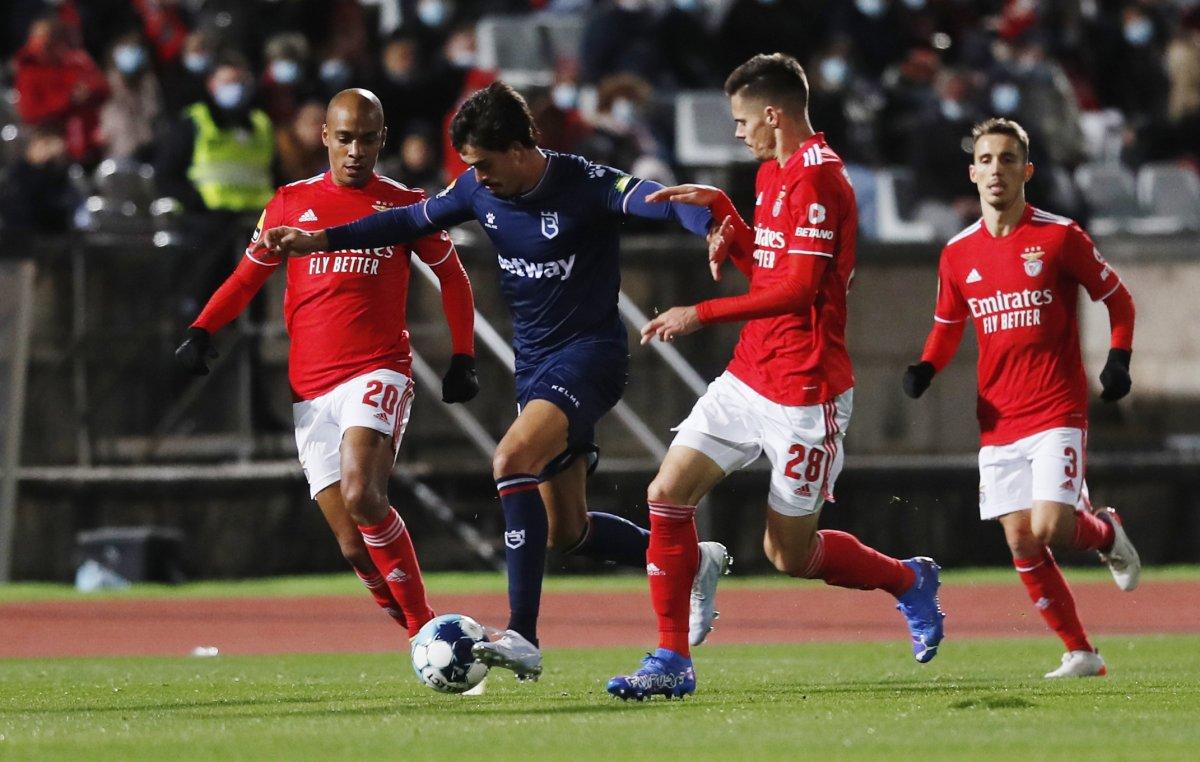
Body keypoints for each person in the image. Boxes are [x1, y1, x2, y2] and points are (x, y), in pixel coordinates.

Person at [262, 81, 731, 682]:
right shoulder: (476, 190)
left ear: (518, 147)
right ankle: (691, 562)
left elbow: (660, 201)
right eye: (469, 168)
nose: (477, 178)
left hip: (590, 357)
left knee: (511, 458)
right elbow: (405, 220)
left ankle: (525, 636)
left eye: (484, 164)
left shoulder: (585, 184)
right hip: (534, 366)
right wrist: (320, 239)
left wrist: (708, 221)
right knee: (568, 531)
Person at [607, 53, 945, 700]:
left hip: (805, 391)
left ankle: (908, 580)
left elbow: (797, 290)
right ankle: (672, 659)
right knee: (666, 495)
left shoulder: (822, 181)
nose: (736, 133)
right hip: (750, 373)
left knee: (788, 554)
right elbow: (767, 273)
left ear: (773, 114)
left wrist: (697, 313)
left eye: (741, 121)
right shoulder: (770, 174)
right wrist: (727, 219)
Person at [174, 89, 478, 640]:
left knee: (365, 494)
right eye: (344, 138)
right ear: (325, 138)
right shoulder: (289, 203)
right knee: (351, 544)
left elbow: (453, 278)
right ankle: (420, 636)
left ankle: (429, 630)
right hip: (310, 389)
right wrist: (202, 328)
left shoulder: (409, 205)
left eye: (366, 139)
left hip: (378, 368)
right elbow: (248, 275)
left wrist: (463, 356)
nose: (355, 150)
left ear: (382, 139)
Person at [902, 117, 1141, 679]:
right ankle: (1081, 651)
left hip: (1057, 406)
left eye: (1007, 159)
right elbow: (948, 322)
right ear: (972, 171)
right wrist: (927, 366)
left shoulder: (1061, 236)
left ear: (1026, 171)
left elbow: (1120, 300)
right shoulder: (958, 253)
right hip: (998, 414)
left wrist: (1120, 359)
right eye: (985, 160)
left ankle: (1106, 532)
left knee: (1052, 526)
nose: (995, 171)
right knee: (1019, 539)